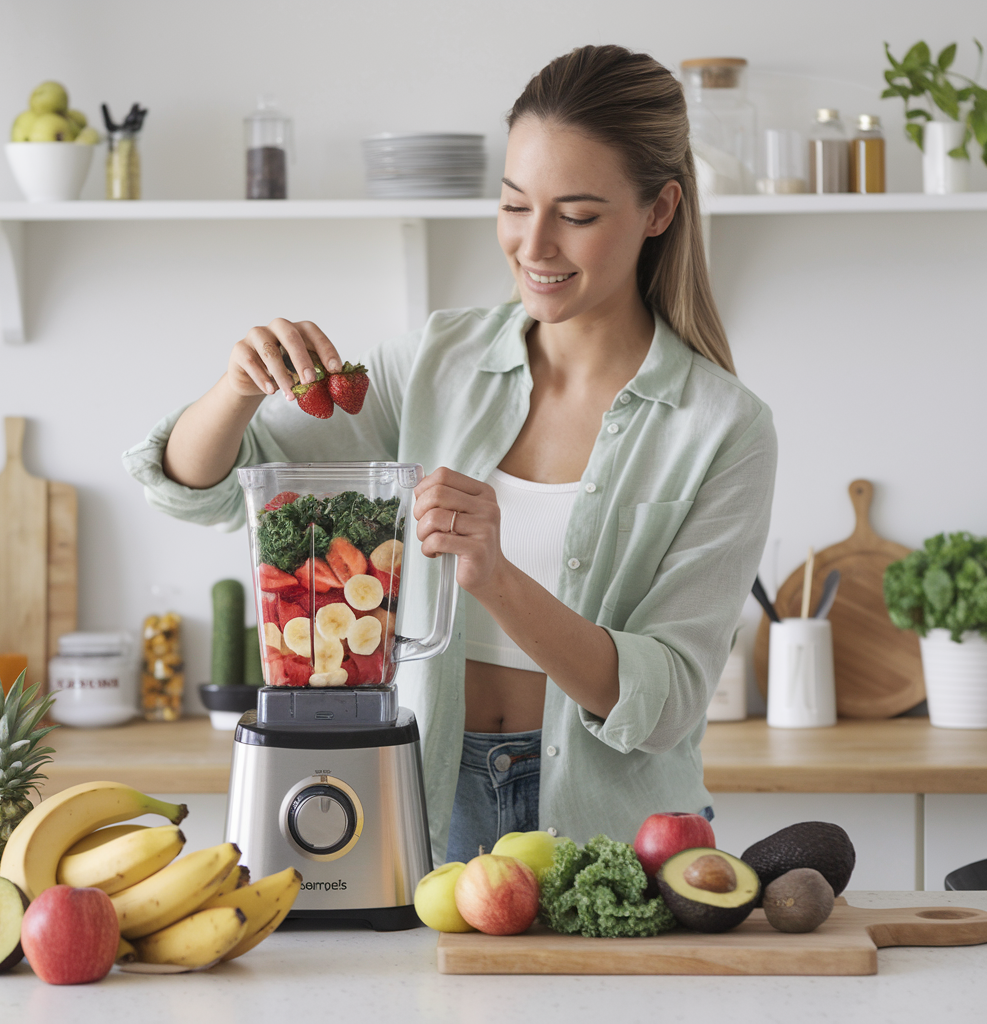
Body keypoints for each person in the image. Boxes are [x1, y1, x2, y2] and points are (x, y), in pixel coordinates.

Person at [123, 44, 776, 866]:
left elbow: (669, 697)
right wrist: (237, 390)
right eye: (513, 205)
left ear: (659, 209)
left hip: (615, 825)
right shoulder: (438, 361)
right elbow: (209, 491)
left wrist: (495, 576)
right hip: (426, 789)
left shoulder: (723, 427)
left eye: (576, 214)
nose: (534, 245)